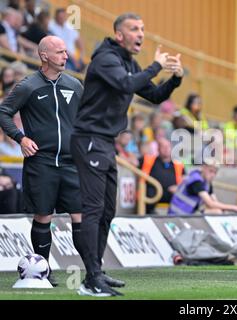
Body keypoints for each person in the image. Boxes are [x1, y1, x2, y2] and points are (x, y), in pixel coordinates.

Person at [70, 13, 183, 297]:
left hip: (106, 142)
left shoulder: (128, 61)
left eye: (143, 29)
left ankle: (96, 272)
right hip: (90, 140)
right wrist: (156, 65)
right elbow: (126, 85)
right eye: (134, 29)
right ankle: (91, 278)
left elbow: (154, 96)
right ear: (119, 35)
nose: (141, 34)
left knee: (108, 210)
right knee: (94, 210)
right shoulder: (106, 58)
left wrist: (175, 79)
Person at [0, 35, 84, 286]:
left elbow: (88, 116)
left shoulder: (75, 85)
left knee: (80, 216)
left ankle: (94, 271)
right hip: (41, 163)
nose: (66, 56)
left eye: (66, 52)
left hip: (71, 164)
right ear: (44, 56)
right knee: (43, 216)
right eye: (59, 52)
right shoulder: (28, 86)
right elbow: (3, 112)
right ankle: (43, 272)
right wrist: (20, 138)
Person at [168, 161, 237, 215]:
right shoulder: (196, 181)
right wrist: (235, 208)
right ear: (203, 167)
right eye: (210, 171)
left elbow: (215, 201)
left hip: (190, 213)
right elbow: (210, 204)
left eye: (215, 172)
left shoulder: (207, 182)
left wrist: (225, 210)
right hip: (177, 215)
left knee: (219, 211)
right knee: (217, 212)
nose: (213, 175)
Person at [141, 138, 184, 213]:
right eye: (163, 147)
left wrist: (178, 187)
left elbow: (185, 178)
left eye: (168, 146)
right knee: (149, 192)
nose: (166, 149)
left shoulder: (178, 164)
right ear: (158, 149)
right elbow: (135, 162)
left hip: (171, 193)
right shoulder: (149, 160)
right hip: (154, 192)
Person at [48, 8, 85, 72]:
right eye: (60, 17)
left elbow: (80, 42)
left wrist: (81, 58)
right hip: (60, 56)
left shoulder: (69, 26)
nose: (62, 19)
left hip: (72, 59)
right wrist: (74, 60)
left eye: (63, 17)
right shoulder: (50, 25)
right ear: (56, 16)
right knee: (68, 69)